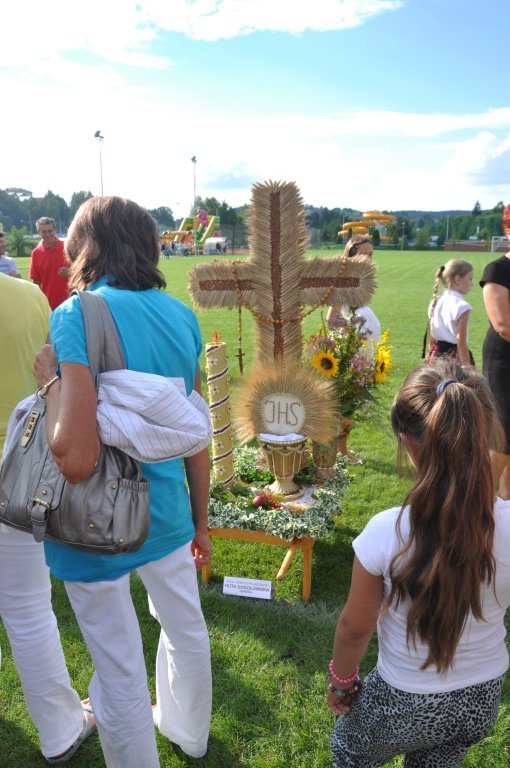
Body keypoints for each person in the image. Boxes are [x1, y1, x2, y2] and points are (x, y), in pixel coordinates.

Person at [33, 196, 212, 767]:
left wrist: (48, 383)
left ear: (86, 245)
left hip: (94, 523)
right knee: (186, 630)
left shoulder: (75, 314)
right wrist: (202, 520)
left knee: (118, 667)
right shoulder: (181, 314)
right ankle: (190, 732)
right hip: (168, 514)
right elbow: (194, 428)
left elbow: (76, 457)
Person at [327, 360, 510, 768]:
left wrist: (341, 684)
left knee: (348, 750)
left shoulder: (386, 533)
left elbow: (355, 628)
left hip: (405, 699)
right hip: (483, 697)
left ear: (408, 445)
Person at [0, 272, 95, 764]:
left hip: (14, 473)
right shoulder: (29, 297)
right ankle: (59, 731)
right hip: (14, 473)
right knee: (27, 609)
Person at [326, 235, 380, 464]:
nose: (368, 258)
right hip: (349, 352)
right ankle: (341, 451)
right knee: (345, 404)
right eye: (363, 254)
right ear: (351, 255)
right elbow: (331, 320)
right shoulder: (342, 282)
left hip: (362, 351)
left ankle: (340, 449)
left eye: (370, 254)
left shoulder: (361, 281)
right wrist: (351, 329)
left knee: (351, 405)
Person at [480, 203, 510, 500]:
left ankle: (505, 513)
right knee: (501, 444)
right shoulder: (498, 270)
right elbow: (504, 325)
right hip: (505, 367)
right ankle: (473, 513)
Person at [425, 259, 474, 366]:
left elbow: (432, 335)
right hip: (454, 357)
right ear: (457, 279)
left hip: (436, 354)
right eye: (470, 279)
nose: (472, 284)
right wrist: (466, 366)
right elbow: (461, 341)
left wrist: (429, 353)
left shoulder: (435, 301)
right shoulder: (462, 306)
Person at [29, 216, 70, 309]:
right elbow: (35, 282)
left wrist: (71, 271)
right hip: (48, 304)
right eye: (44, 232)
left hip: (71, 301)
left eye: (50, 231)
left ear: (55, 230)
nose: (47, 234)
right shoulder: (36, 253)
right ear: (39, 233)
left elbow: (83, 270)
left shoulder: (68, 248)